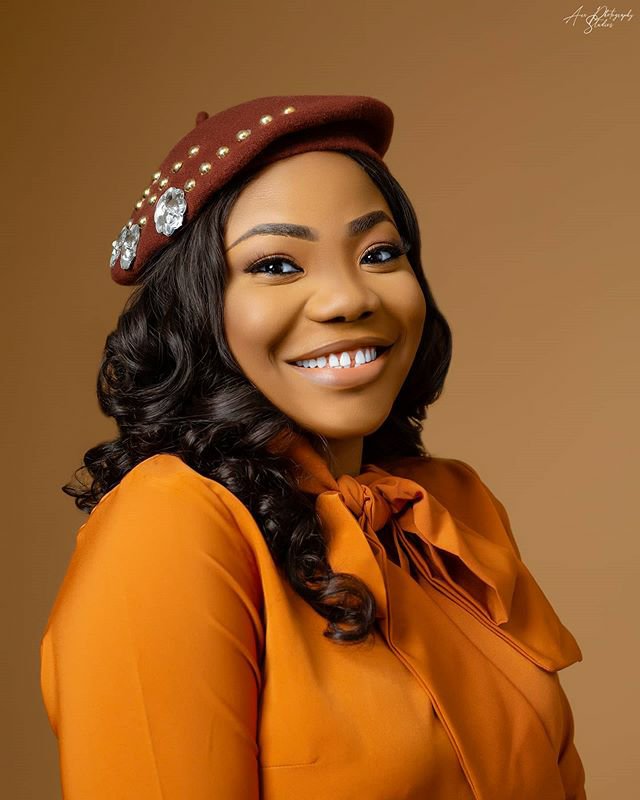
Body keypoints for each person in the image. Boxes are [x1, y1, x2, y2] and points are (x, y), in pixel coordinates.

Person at [39, 94, 587, 799]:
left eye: (379, 253)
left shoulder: (452, 512)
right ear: (196, 309)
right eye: (276, 265)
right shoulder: (169, 526)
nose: (348, 298)